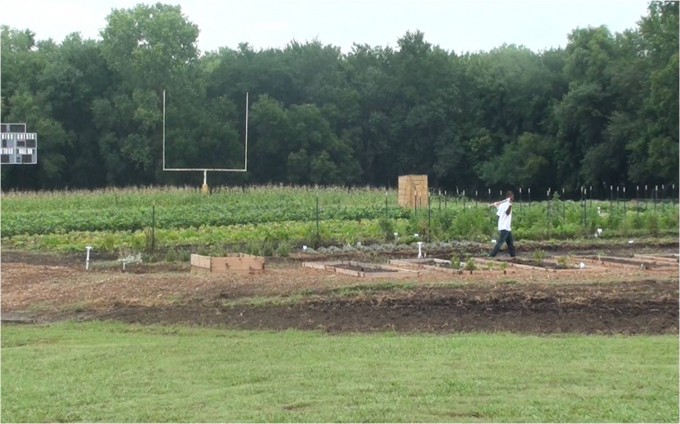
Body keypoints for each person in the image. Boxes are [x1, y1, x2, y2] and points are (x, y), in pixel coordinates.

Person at [489, 191, 516, 258]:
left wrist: (496, 205)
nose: (513, 198)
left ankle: (513, 256)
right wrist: (510, 205)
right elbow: (507, 213)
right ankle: (492, 255)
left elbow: (498, 215)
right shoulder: (507, 204)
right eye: (512, 196)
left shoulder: (502, 205)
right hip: (504, 227)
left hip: (506, 227)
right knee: (500, 242)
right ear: (510, 197)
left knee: (510, 243)